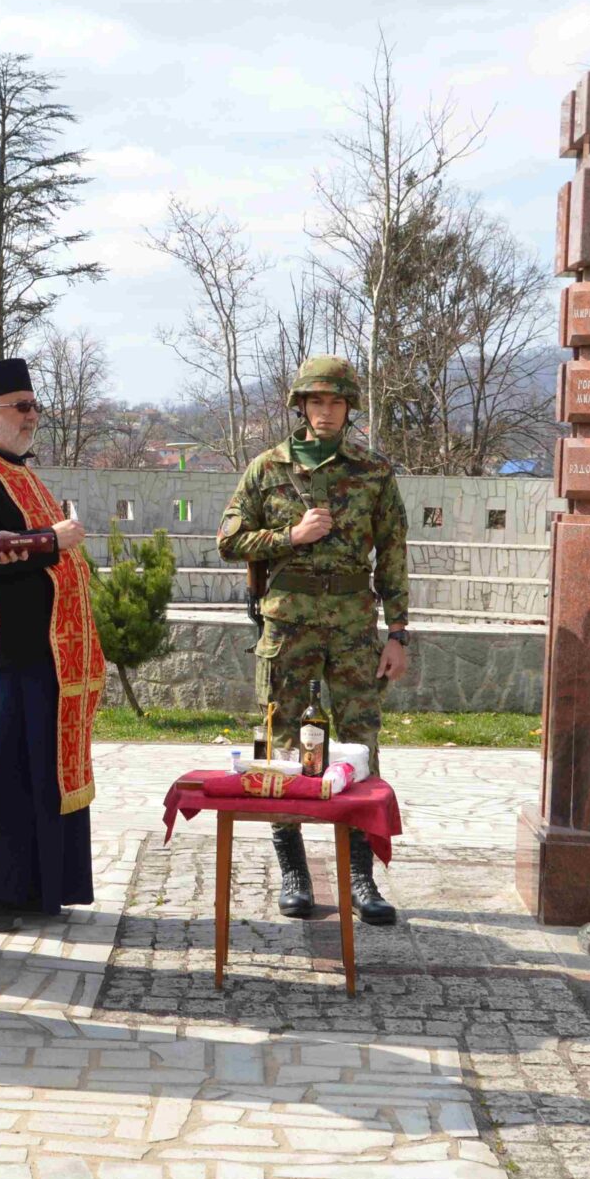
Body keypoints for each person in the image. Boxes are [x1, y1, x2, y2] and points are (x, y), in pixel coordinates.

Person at [216, 355, 409, 928]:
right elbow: (229, 539)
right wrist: (290, 536)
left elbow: (393, 553)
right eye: (316, 401)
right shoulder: (268, 468)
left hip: (353, 626)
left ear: (350, 409)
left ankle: (361, 877)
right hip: (289, 625)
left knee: (359, 745)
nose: (326, 412)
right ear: (300, 407)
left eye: (336, 402)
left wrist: (398, 633)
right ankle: (294, 872)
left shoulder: (373, 471)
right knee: (282, 746)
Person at [0, 358, 101, 919]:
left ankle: (44, 888)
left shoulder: (14, 466)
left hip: (46, 656)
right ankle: (2, 891)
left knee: (41, 771)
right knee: (8, 773)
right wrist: (51, 540)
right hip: (4, 655)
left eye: (34, 406)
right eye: (21, 408)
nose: (32, 417)